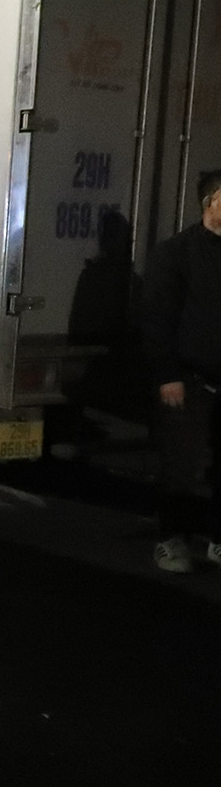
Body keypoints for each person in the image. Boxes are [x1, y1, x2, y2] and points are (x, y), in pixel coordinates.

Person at [141, 167, 221, 574]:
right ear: (211, 202)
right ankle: (171, 540)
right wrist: (167, 374)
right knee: (180, 467)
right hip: (189, 379)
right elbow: (158, 318)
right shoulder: (175, 254)